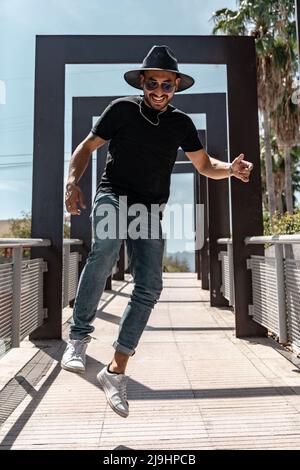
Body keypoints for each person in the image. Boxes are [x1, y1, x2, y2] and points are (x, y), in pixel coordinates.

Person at [61, 45, 253, 418]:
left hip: (149, 207)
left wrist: (229, 168)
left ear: (177, 85)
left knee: (150, 285)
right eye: (152, 83)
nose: (159, 91)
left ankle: (115, 371)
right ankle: (79, 338)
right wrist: (72, 181)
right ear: (143, 83)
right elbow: (86, 147)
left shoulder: (181, 125)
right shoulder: (121, 110)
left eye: (167, 84)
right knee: (105, 248)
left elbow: (204, 164)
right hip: (112, 195)